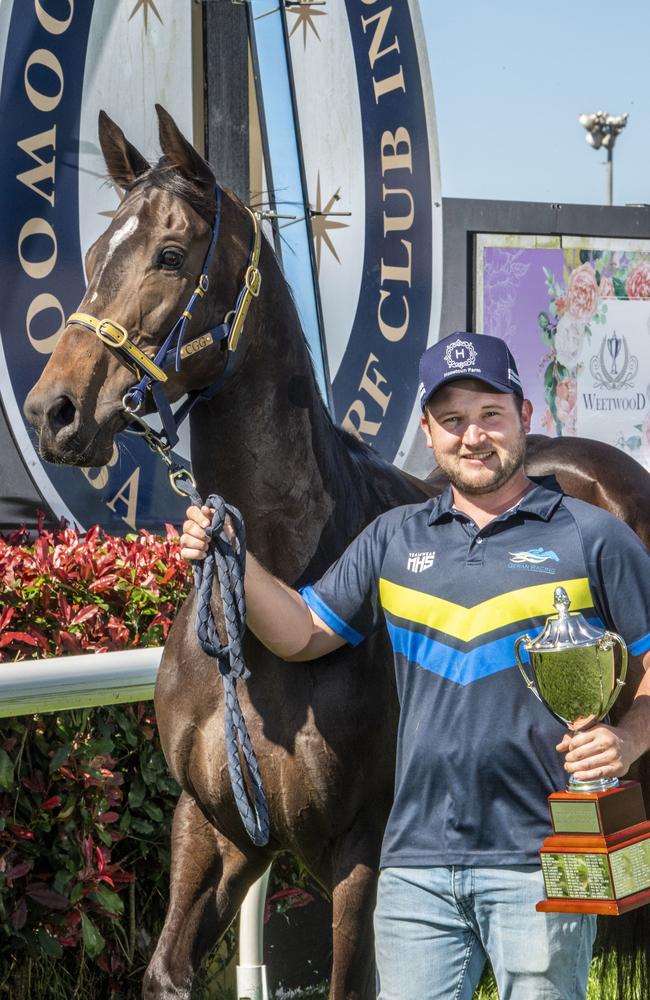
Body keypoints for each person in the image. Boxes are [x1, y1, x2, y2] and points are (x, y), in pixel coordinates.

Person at [180, 332, 650, 1000]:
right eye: (453, 421)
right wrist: (233, 556)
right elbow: (303, 632)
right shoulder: (394, 539)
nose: (474, 436)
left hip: (540, 862)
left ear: (526, 416)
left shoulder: (590, 534)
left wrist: (627, 737)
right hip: (414, 873)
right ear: (428, 433)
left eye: (491, 414)